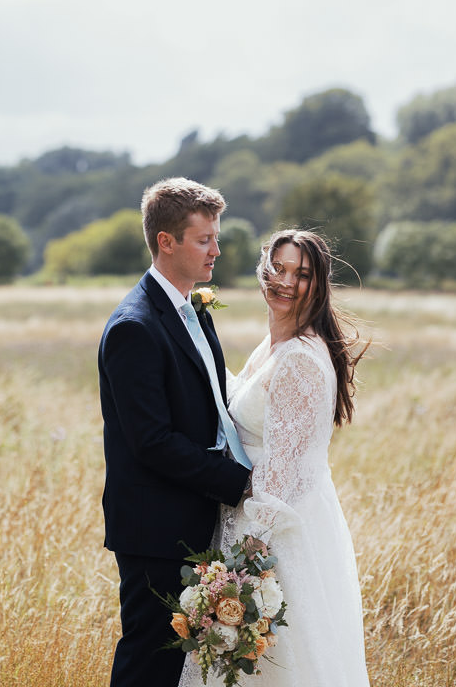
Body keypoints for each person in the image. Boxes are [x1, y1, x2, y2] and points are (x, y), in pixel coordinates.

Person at [178, 228, 371, 687]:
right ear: (263, 271)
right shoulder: (275, 346)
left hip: (272, 539)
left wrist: (244, 575)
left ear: (318, 283)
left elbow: (279, 475)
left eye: (301, 274)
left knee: (276, 666)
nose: (285, 282)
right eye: (278, 269)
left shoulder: (299, 360)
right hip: (253, 523)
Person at [100, 178, 252, 687]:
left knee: (183, 663)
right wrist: (238, 482)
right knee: (150, 658)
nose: (217, 249)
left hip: (193, 514)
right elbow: (152, 442)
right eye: (203, 238)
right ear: (167, 242)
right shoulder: (134, 327)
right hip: (155, 527)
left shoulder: (193, 307)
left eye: (215, 237)